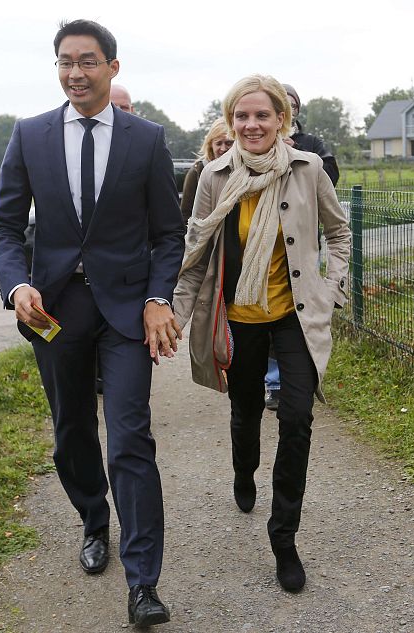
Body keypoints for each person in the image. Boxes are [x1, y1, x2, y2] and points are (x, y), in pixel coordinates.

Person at [0, 19, 184, 626]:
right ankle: (93, 521)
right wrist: (18, 285)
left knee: (130, 438)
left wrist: (158, 298)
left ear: (113, 68)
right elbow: (3, 227)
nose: (76, 72)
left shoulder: (146, 140)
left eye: (89, 61)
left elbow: (167, 235)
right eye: (66, 62)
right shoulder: (30, 136)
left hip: (127, 314)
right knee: (72, 431)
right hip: (55, 313)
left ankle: (143, 582)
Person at [172, 74, 350, 593]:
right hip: (239, 316)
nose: (251, 125)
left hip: (294, 314)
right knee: (246, 407)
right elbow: (196, 252)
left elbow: (338, 233)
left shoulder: (307, 168)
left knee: (296, 416)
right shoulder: (213, 175)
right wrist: (175, 317)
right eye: (241, 117)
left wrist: (329, 289)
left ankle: (284, 538)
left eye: (262, 116)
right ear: (231, 122)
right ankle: (244, 470)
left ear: (281, 121)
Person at [264, 83, 340, 411]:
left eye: (292, 103)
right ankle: (272, 381)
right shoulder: (254, 141)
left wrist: (300, 158)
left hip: (302, 240)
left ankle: (296, 377)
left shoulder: (311, 145)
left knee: (299, 310)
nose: (288, 107)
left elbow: (330, 176)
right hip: (262, 245)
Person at [180, 117, 234, 225]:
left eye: (229, 143)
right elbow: (186, 213)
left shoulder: (245, 169)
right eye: (218, 143)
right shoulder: (197, 171)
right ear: (210, 145)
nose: (223, 149)